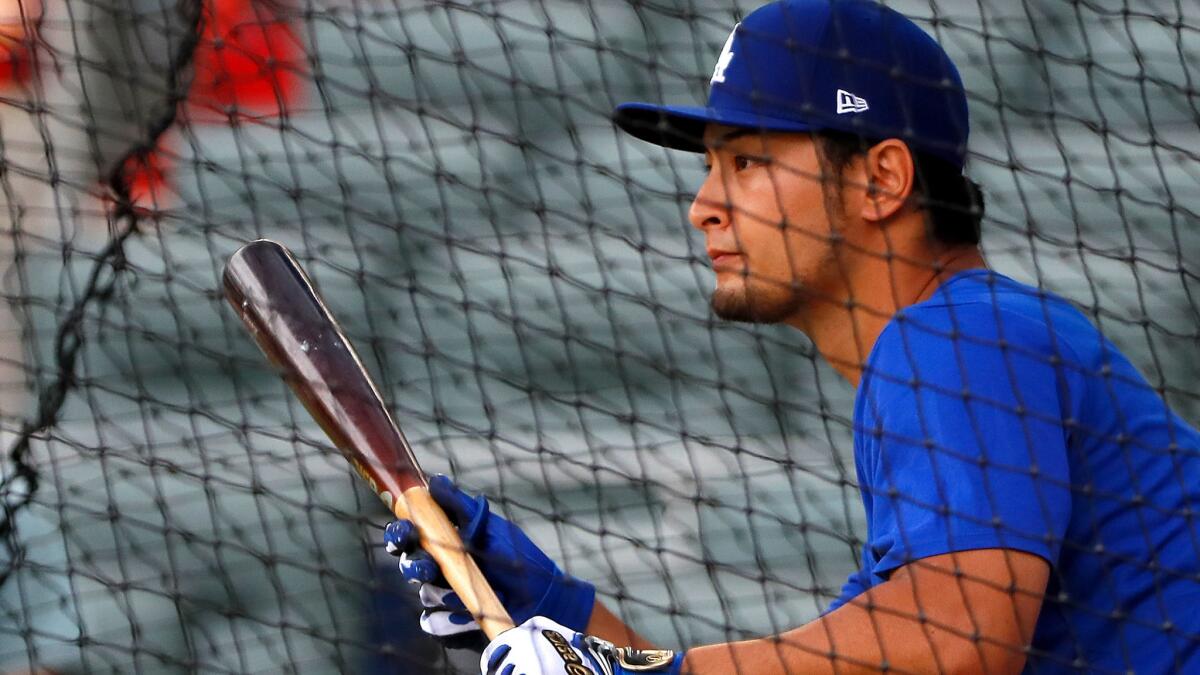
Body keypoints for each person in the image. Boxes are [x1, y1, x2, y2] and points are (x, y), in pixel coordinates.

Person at [384, 0, 1200, 673]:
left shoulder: (959, 337)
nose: (702, 204)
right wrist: (560, 613)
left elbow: (961, 639)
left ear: (881, 179)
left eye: (746, 162)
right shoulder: (964, 350)